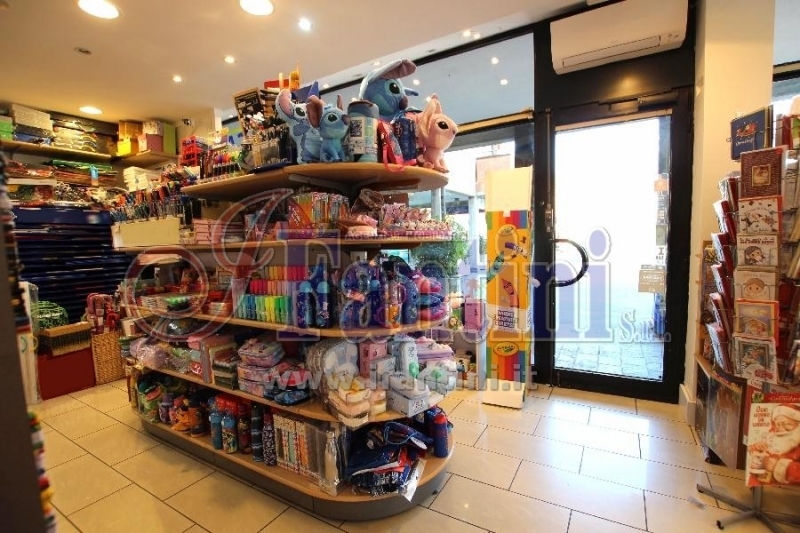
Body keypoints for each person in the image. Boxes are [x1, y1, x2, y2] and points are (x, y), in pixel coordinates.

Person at [748, 403, 800, 484]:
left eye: (787, 424)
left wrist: (778, 466)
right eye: (778, 424)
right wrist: (756, 448)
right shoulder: (771, 438)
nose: (781, 428)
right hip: (760, 488)